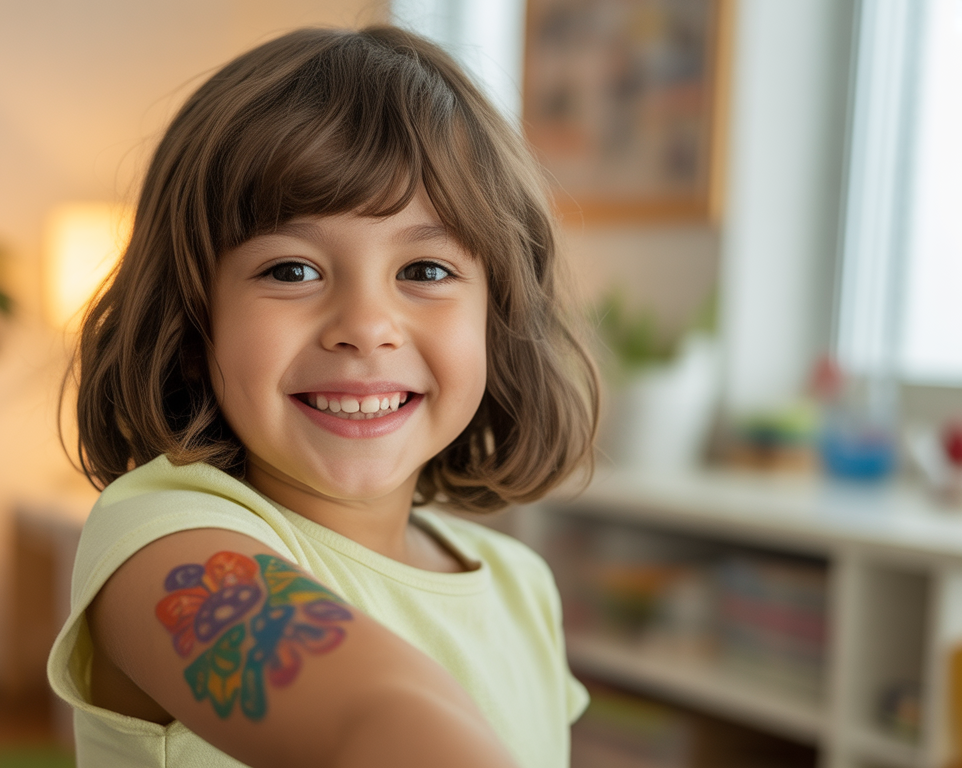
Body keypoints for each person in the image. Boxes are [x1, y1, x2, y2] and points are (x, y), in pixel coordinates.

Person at [47, 24, 600, 768]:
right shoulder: (158, 545)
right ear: (188, 324)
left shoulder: (523, 588)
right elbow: (377, 719)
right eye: (291, 271)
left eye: (427, 271)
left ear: (498, 320)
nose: (367, 328)